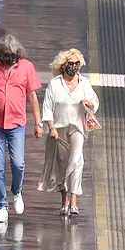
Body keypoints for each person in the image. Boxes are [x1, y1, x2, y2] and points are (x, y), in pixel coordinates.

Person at [0, 34, 43, 224]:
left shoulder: (27, 67)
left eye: (12, 54)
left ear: (18, 54)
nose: (8, 58)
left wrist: (38, 123)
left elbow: (33, 97)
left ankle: (16, 191)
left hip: (17, 123)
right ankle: (2, 206)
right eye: (5, 54)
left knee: (18, 163)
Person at [37, 49, 99, 217]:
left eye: (76, 64)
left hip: (77, 128)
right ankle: (64, 200)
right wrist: (51, 127)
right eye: (70, 64)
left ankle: (73, 200)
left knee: (76, 161)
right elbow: (47, 107)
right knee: (62, 164)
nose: (73, 67)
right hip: (59, 128)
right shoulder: (55, 84)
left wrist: (90, 104)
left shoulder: (84, 83)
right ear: (63, 65)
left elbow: (95, 102)